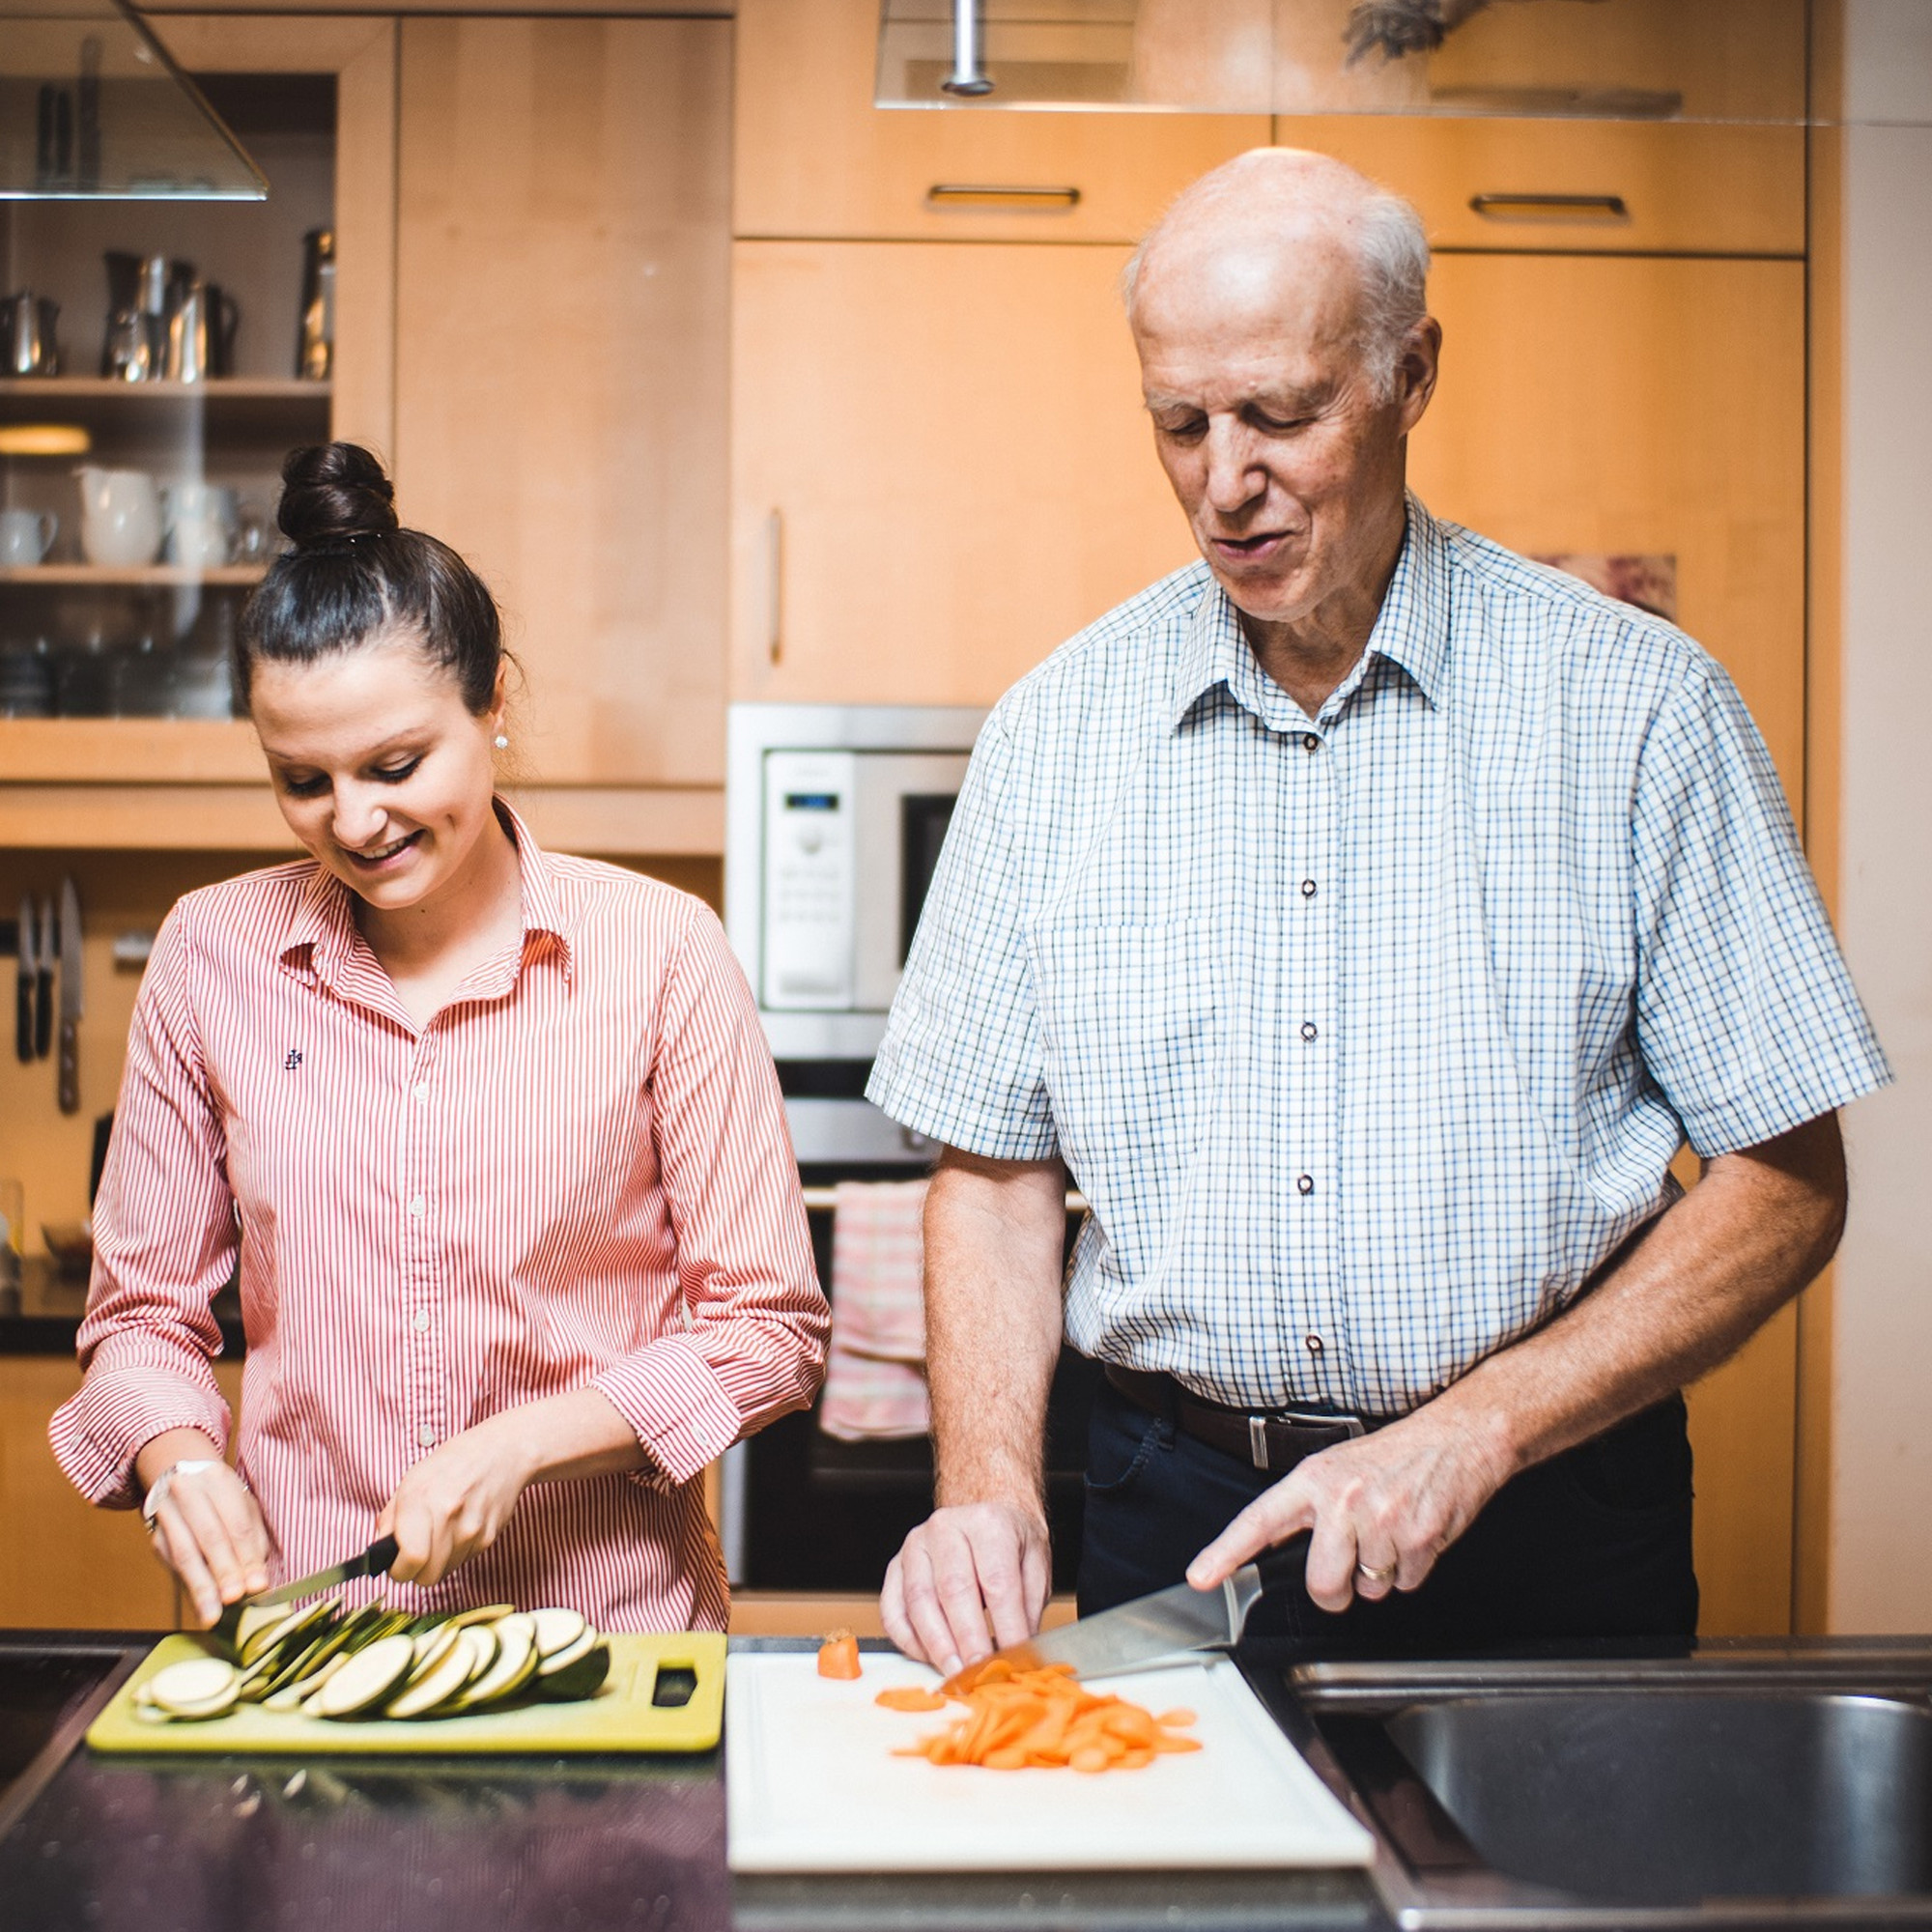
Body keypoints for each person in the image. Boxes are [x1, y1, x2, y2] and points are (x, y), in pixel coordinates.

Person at [867, 149, 1891, 1674]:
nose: (1226, 478)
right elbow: (997, 1177)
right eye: (1180, 422)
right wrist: (988, 1488)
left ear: (1410, 373)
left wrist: (1478, 1431)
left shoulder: (1636, 707)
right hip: (1176, 1512)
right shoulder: (1053, 732)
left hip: (1545, 1506)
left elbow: (1789, 1175)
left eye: (1282, 414)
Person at [50, 442, 828, 1633]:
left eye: (396, 764)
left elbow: (766, 1329)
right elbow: (141, 1316)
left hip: (597, 1635)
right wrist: (176, 1460)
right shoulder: (210, 954)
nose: (354, 820)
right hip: (304, 1631)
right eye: (299, 779)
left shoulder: (660, 951)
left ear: (494, 702)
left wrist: (525, 1444)